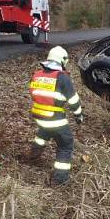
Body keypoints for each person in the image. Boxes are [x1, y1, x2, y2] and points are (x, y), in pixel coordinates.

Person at [26, 46, 84, 186]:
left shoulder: (37, 74)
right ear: (62, 61)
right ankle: (60, 178)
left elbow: (34, 93)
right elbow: (73, 101)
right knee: (66, 144)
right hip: (54, 118)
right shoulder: (62, 78)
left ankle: (34, 154)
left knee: (44, 132)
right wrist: (79, 116)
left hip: (39, 115)